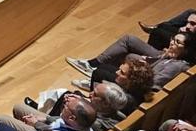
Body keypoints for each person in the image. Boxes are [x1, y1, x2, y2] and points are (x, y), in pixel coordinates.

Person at [68, 31, 196, 92]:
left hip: (137, 88)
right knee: (114, 64)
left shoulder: (177, 66)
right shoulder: (170, 57)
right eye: (173, 39)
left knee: (100, 73)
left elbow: (154, 83)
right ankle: (95, 82)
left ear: (186, 50)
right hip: (140, 79)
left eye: (177, 42)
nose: (172, 43)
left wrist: (134, 74)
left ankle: (96, 91)